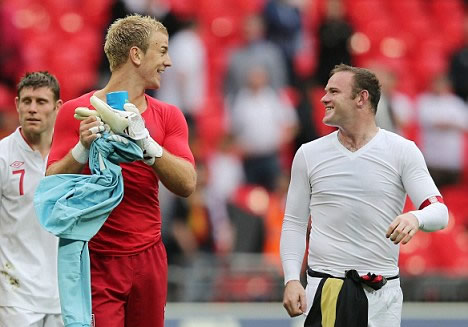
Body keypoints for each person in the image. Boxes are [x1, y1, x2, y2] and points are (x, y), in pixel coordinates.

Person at [45, 14, 196, 327]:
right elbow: (50, 184)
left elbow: (187, 183)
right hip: (95, 256)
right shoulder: (77, 111)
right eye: (163, 50)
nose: (168, 62)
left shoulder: (168, 116)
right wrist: (81, 149)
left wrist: (148, 145)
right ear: (136, 54)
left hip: (149, 256)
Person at [280, 64, 449, 326]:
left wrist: (415, 218)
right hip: (323, 288)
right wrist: (291, 279)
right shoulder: (308, 154)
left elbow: (439, 212)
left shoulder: (402, 151)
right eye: (325, 91)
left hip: (380, 296)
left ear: (361, 98)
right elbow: (294, 223)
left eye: (334, 91)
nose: (324, 98)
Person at [0, 72, 63, 326]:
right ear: (16, 105)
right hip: (16, 296)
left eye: (41, 102)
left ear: (58, 107)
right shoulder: (3, 155)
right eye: (27, 102)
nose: (32, 109)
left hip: (63, 295)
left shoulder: (72, 156)